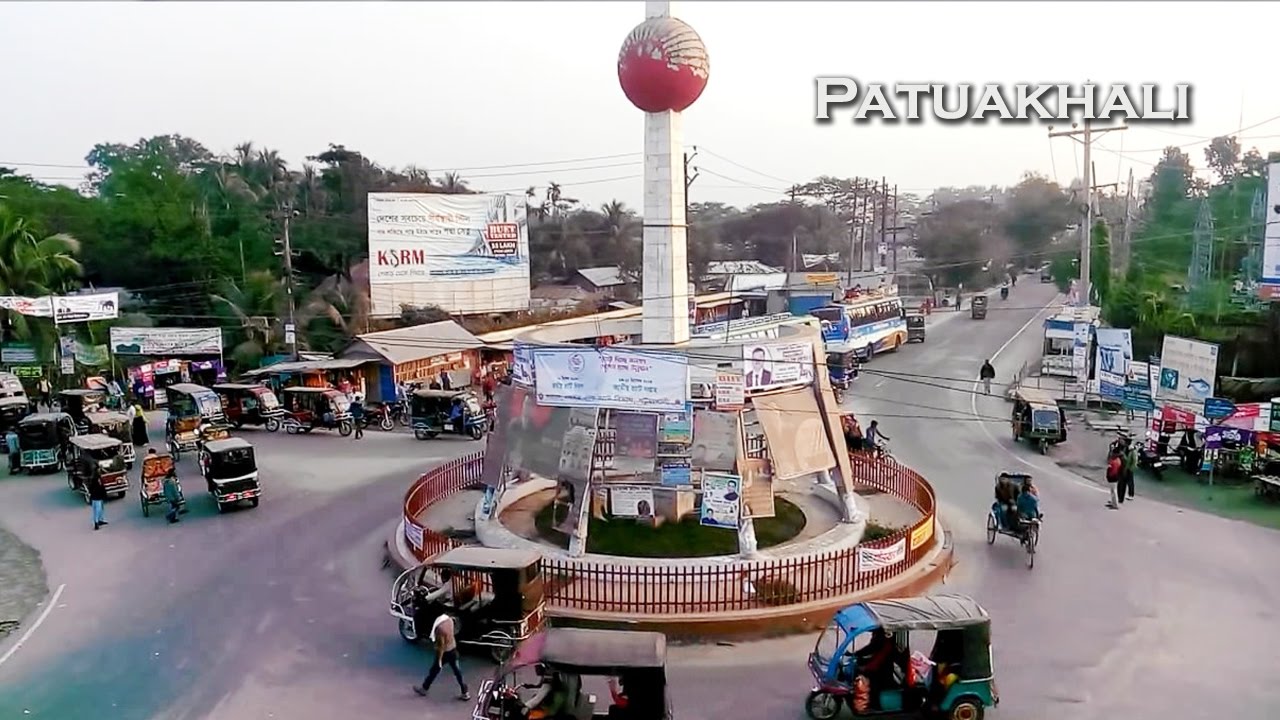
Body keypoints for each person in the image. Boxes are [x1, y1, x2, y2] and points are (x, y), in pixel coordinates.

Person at [413, 611, 469, 701]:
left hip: (445, 653)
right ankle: (465, 692)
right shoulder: (450, 620)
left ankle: (424, 688)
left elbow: (441, 647)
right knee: (458, 672)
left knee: (434, 670)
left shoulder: (440, 629)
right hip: (453, 649)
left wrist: (439, 660)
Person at [85, 461, 108, 530]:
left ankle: (100, 520)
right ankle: (96, 523)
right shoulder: (96, 478)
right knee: (98, 509)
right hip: (97, 496)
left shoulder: (94, 477)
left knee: (99, 509)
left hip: (95, 496)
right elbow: (100, 486)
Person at [162, 457, 183, 524]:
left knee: (172, 507)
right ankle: (170, 517)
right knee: (174, 507)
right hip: (173, 497)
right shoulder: (172, 481)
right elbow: (174, 490)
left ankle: (171, 516)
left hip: (169, 496)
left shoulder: (166, 481)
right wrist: (178, 497)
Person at [1120, 436, 1137, 503]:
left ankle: (1131, 495)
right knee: (1125, 481)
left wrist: (1131, 468)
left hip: (1129, 468)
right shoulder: (1125, 448)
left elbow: (1134, 460)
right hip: (1125, 467)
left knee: (1130, 482)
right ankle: (1124, 494)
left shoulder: (1132, 450)